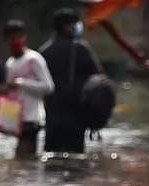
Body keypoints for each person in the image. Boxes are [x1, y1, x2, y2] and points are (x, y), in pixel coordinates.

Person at [0, 20, 54, 158]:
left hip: (33, 118)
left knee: (22, 158)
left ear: (24, 37)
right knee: (24, 160)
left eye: (18, 37)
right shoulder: (10, 63)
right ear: (6, 40)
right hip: (17, 118)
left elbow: (49, 87)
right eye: (11, 38)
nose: (14, 41)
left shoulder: (34, 59)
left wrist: (22, 83)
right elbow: (8, 91)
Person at [40, 8, 103, 153]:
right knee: (75, 160)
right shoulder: (81, 48)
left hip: (51, 114)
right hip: (75, 113)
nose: (77, 27)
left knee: (51, 157)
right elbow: (99, 78)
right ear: (65, 27)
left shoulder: (44, 51)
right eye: (74, 24)